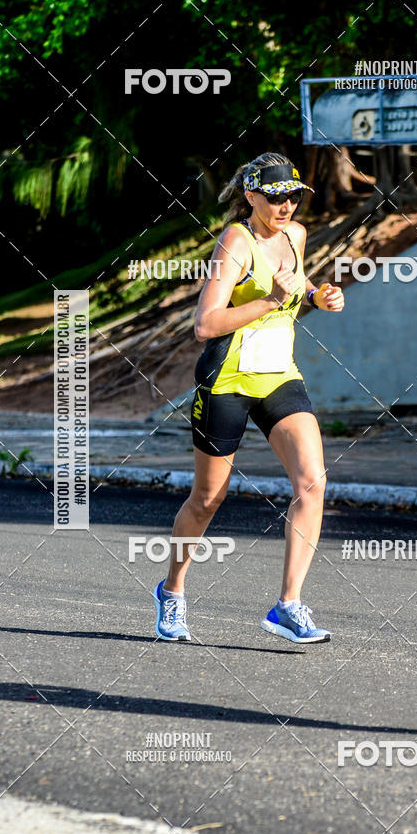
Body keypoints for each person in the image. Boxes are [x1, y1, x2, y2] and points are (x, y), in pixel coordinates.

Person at [152, 152, 344, 644]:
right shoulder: (235, 242)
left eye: (294, 197)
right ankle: (172, 592)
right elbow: (204, 325)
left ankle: (288, 605)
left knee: (312, 483)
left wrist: (318, 297)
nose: (285, 206)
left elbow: (294, 291)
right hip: (228, 380)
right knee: (208, 499)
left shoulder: (295, 236)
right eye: (275, 197)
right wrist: (270, 301)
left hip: (279, 375)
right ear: (251, 195)